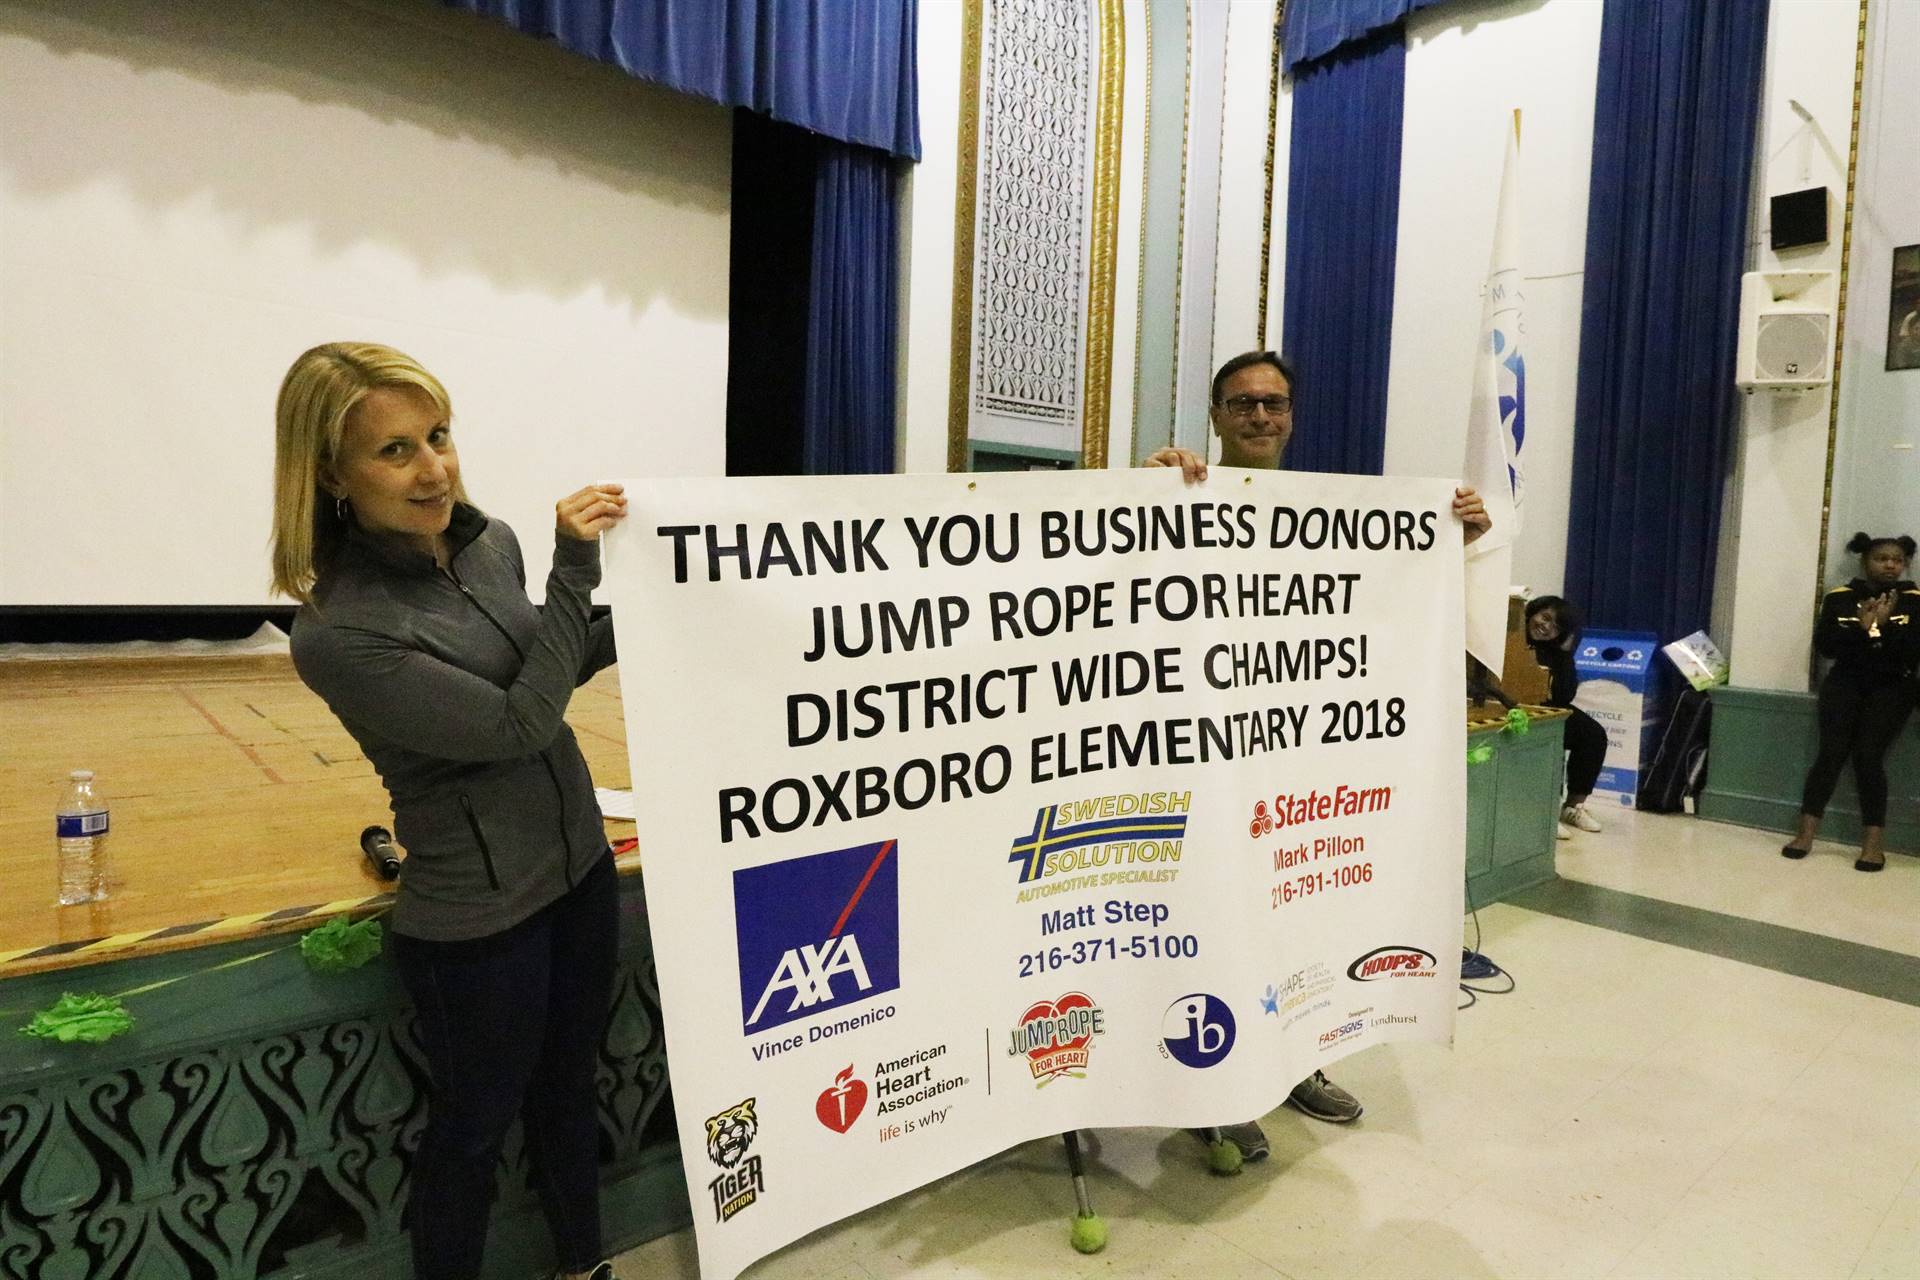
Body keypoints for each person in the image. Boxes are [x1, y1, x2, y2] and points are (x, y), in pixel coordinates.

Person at [271, 342, 627, 1280]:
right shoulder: (338, 631)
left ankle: (585, 1268)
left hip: (582, 871)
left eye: (438, 436)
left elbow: (548, 664)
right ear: (329, 475)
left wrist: (680, 591)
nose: (434, 468)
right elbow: (519, 723)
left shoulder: (490, 542)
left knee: (566, 1092)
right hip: (477, 921)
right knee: (472, 1135)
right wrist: (576, 572)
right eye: (395, 451)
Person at [1144, 351, 1492, 1162]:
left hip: (1301, 770)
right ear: (1217, 416)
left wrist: (1457, 530)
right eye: (1242, 405)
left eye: (1274, 404)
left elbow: (1389, 604)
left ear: (1292, 415)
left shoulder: (1327, 511)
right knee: (1215, 927)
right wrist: (1146, 484)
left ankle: (1300, 1061)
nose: (1260, 418)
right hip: (1209, 771)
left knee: (1297, 922)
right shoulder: (1182, 493)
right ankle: (1217, 1091)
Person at [1782, 531, 1920, 872]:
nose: (1890, 565)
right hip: (1845, 683)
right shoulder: (1840, 597)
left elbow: (1911, 651)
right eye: (1881, 558)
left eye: (1897, 560)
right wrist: (1862, 629)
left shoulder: (1914, 600)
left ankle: (1873, 846)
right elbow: (1827, 646)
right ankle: (1805, 835)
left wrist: (1881, 629)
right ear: (1865, 561)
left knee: (1868, 757)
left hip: (1893, 687)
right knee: (1830, 754)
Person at [1522, 596, 1610, 839]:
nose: (1546, 626)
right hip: (1511, 707)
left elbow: (1564, 697)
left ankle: (1573, 806)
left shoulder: (1555, 652)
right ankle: (1540, 813)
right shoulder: (1511, 638)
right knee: (1541, 737)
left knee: (1592, 734)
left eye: (1556, 626)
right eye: (1545, 617)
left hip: (1546, 709)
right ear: (1532, 612)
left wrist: (1564, 654)